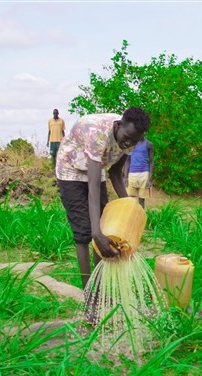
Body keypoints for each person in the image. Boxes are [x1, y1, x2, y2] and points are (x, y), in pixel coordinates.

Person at [56, 107, 150, 288]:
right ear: (118, 125)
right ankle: (88, 293)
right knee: (85, 233)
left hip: (95, 166)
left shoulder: (132, 138)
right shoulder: (98, 133)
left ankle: (99, 286)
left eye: (133, 141)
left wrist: (129, 206)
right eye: (126, 138)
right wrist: (96, 232)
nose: (127, 143)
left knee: (104, 226)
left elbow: (115, 173)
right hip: (70, 168)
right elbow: (92, 189)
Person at [124, 137, 154, 209]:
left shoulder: (148, 144)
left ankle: (141, 218)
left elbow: (151, 162)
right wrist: (125, 177)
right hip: (132, 174)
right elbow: (127, 161)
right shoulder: (131, 144)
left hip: (144, 174)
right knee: (130, 199)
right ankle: (131, 218)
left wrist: (150, 179)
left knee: (141, 199)